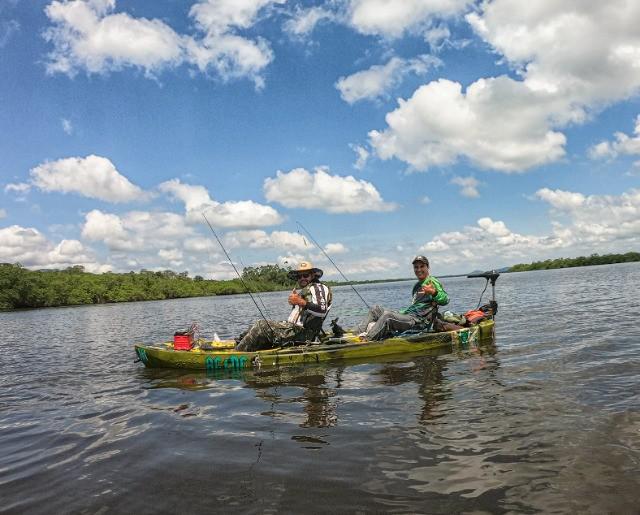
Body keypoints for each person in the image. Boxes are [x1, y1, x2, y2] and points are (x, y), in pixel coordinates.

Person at [235, 261, 333, 351]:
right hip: (293, 330)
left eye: (305, 275)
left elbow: (322, 310)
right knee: (254, 326)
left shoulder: (318, 287)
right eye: (299, 276)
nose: (302, 278)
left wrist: (300, 301)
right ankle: (238, 345)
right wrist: (298, 302)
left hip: (303, 335)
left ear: (312, 275)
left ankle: (238, 353)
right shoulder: (305, 291)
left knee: (262, 326)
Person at [356, 255, 448, 340]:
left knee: (388, 316)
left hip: (419, 322)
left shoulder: (432, 281)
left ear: (428, 267)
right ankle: (356, 336)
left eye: (422, 266)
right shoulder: (417, 286)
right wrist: (399, 313)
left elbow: (445, 300)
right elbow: (415, 307)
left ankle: (367, 340)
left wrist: (434, 292)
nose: (419, 269)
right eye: (416, 267)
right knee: (375, 310)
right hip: (409, 317)